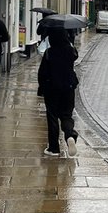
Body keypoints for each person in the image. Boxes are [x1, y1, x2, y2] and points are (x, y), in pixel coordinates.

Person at [37, 29, 80, 157]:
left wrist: (42, 87)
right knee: (66, 115)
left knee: (52, 116)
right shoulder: (71, 51)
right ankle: (69, 135)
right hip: (68, 88)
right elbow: (75, 56)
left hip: (52, 88)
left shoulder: (49, 53)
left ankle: (54, 148)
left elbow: (42, 72)